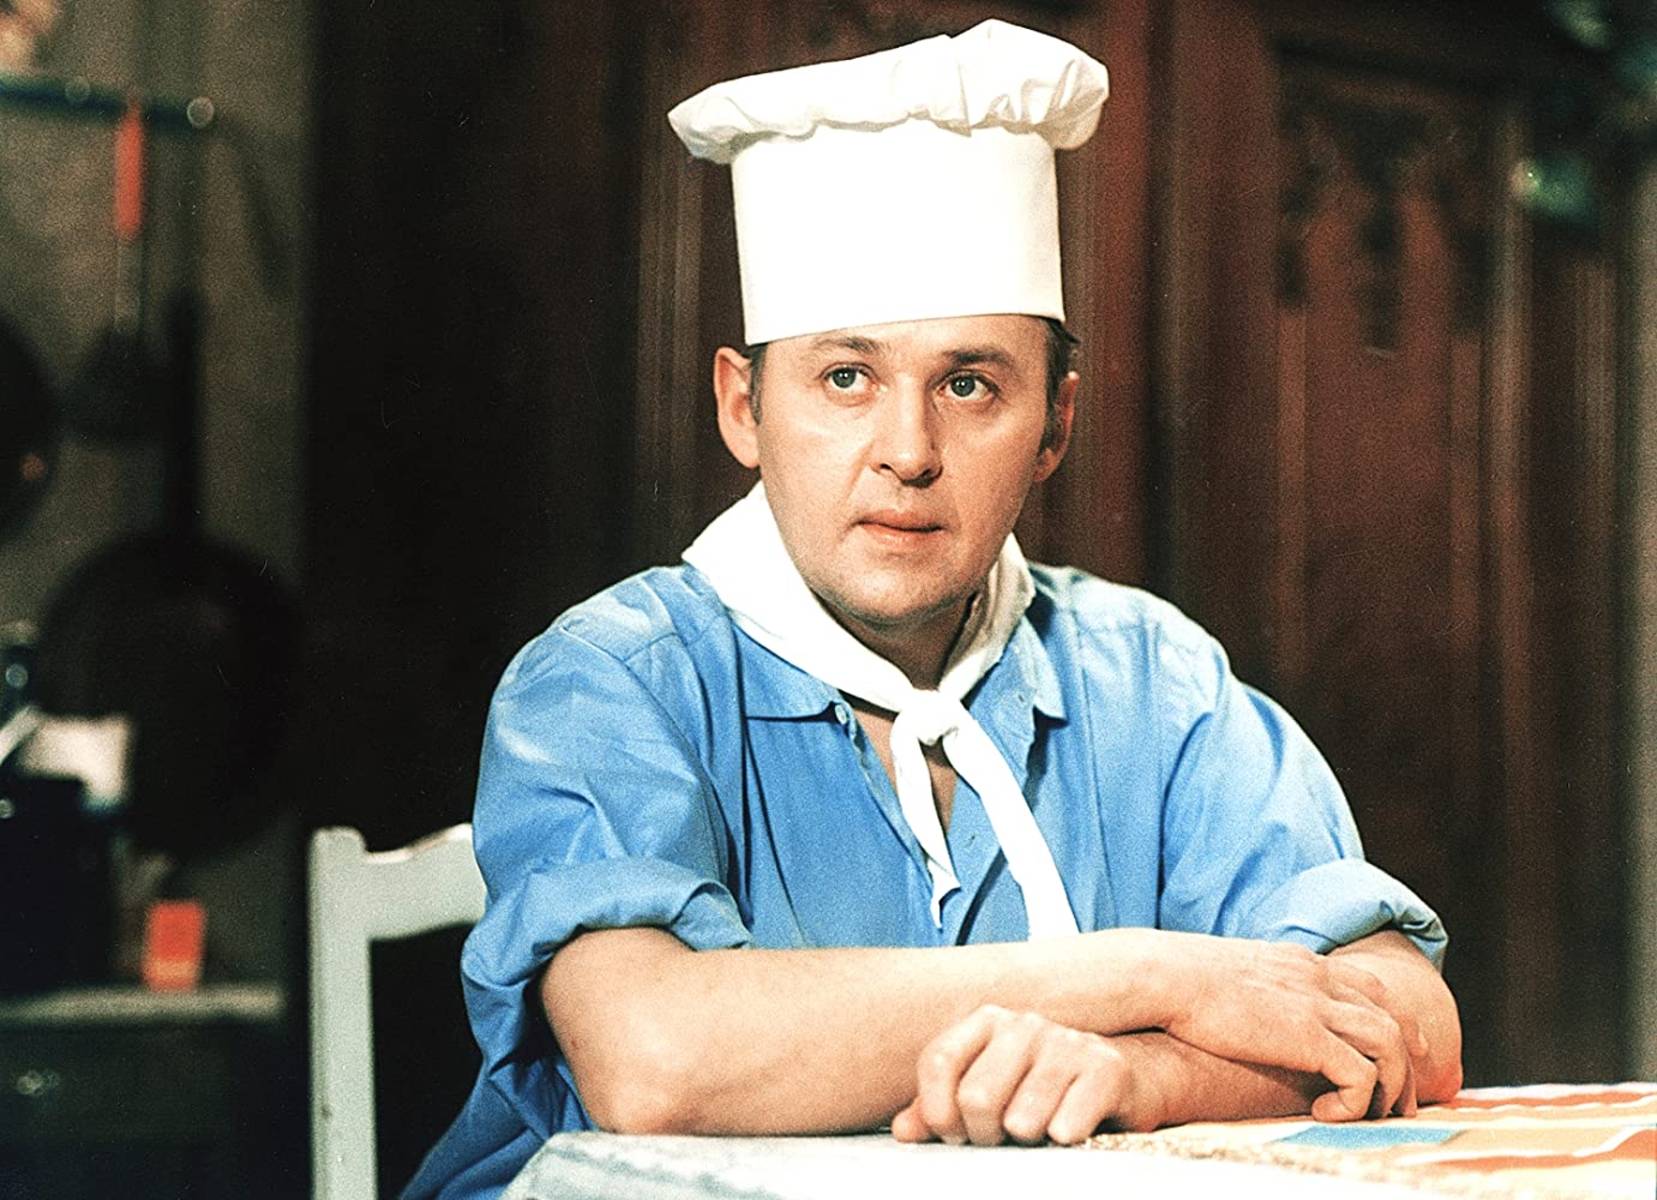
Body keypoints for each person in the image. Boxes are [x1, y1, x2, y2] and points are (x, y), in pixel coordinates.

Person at [405, 20, 1461, 1199]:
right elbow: (656, 1059)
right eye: (844, 379)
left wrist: (1135, 1076)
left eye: (968, 384)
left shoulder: (1149, 680)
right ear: (744, 408)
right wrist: (1147, 979)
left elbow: (1406, 1018)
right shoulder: (612, 680)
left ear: (1055, 423)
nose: (906, 450)